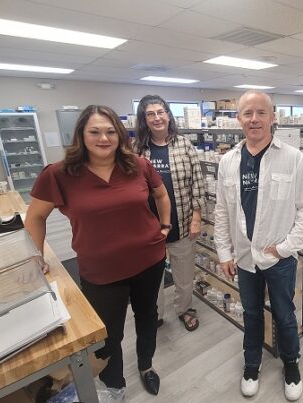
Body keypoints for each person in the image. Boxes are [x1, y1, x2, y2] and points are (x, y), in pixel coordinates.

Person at [25, 105, 171, 398]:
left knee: (147, 316)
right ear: (81, 135)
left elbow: (161, 195)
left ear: (119, 135)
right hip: (101, 271)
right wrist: (35, 257)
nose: (103, 138)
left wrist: (164, 227)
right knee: (107, 333)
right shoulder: (59, 174)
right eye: (94, 131)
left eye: (110, 131)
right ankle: (115, 383)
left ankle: (146, 366)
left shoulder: (138, 165)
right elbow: (35, 217)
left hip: (149, 261)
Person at [214, 91, 303, 401]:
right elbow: (222, 211)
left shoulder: (292, 158)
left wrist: (286, 247)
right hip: (244, 258)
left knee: (285, 313)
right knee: (251, 313)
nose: (254, 119)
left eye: (261, 113)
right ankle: (252, 363)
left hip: (279, 258)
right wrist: (224, 252)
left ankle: (291, 362)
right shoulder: (228, 162)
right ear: (239, 119)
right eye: (248, 113)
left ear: (273, 118)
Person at [134, 95, 205, 331]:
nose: (157, 118)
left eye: (161, 112)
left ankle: (184, 309)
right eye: (150, 114)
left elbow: (198, 182)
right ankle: (155, 314)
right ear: (144, 120)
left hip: (182, 223)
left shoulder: (184, 145)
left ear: (168, 115)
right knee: (152, 279)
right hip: (148, 229)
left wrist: (196, 218)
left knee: (183, 276)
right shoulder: (137, 150)